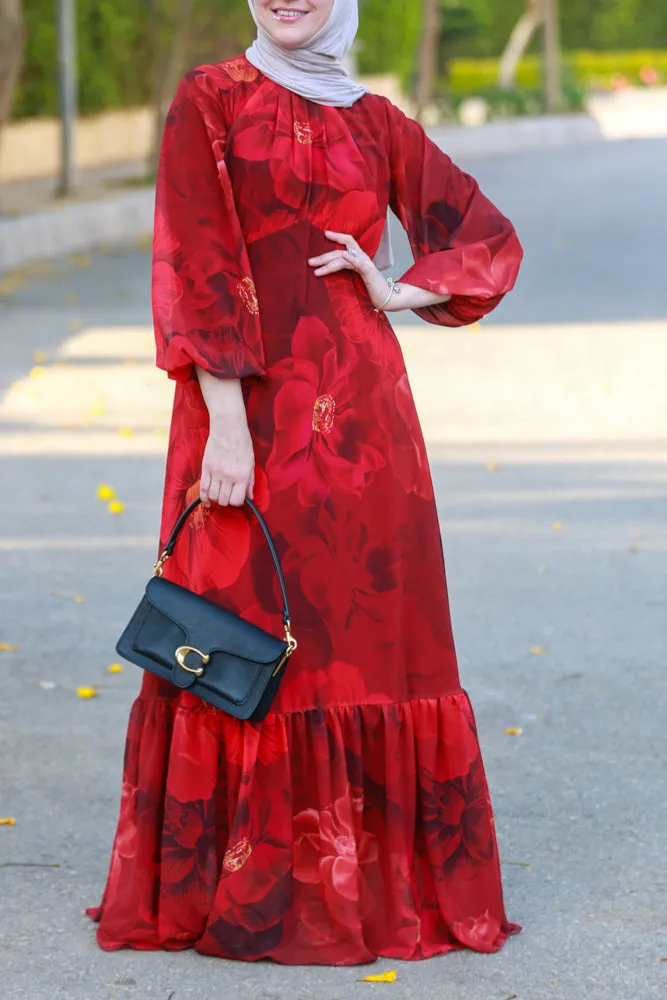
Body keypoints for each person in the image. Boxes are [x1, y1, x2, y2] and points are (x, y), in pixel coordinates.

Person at [88, 0, 523, 966]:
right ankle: (246, 882)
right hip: (245, 418)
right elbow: (195, 261)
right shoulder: (208, 101)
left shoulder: (377, 123)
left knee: (359, 645)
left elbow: (484, 237)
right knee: (243, 634)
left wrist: (398, 288)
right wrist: (229, 426)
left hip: (367, 433)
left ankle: (359, 891)